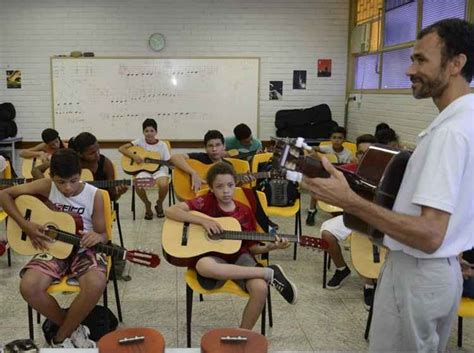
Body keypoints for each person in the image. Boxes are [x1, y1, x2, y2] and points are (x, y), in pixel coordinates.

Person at [301, 18, 474, 352]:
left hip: (420, 274)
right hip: (436, 268)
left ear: (456, 64)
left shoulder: (450, 133)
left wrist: (349, 200)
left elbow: (428, 234)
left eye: (421, 60)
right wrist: (455, 250)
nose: (409, 70)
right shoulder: (464, 122)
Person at [165, 162, 297, 329]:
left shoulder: (244, 211)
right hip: (213, 258)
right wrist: (204, 221)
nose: (226, 190)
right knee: (203, 266)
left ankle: (243, 334)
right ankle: (268, 272)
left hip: (239, 257)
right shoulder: (205, 202)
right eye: (219, 186)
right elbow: (171, 211)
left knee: (260, 288)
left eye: (230, 185)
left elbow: (251, 248)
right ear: (211, 188)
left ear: (236, 184)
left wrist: (270, 248)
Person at [0, 149, 107, 348]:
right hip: (51, 248)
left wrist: (97, 236)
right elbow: (5, 195)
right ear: (51, 177)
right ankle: (74, 330)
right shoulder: (46, 186)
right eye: (61, 182)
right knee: (28, 287)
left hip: (83, 249)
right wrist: (25, 225)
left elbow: (102, 234)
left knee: (96, 283)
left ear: (81, 174)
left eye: (73, 181)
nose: (67, 188)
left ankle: (59, 338)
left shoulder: (95, 195)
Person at [319, 134, 377, 309]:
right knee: (327, 234)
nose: (363, 157)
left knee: (369, 241)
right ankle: (341, 269)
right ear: (355, 154)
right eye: (360, 153)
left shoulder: (384, 173)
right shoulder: (347, 171)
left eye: (368, 154)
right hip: (352, 217)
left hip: (377, 221)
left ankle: (369, 284)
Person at [118, 118, 170, 219]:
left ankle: (159, 203)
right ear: (143, 132)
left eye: (152, 131)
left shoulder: (162, 145)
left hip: (159, 170)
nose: (149, 133)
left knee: (164, 184)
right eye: (146, 131)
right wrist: (134, 157)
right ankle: (147, 204)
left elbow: (168, 162)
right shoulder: (139, 141)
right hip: (143, 171)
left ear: (156, 132)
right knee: (138, 184)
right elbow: (121, 148)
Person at [306, 126, 355, 226]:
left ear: (344, 140)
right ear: (330, 139)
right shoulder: (327, 148)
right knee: (315, 185)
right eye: (334, 137)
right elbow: (311, 148)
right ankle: (311, 210)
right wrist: (317, 155)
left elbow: (349, 168)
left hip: (340, 178)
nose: (336, 140)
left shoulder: (348, 154)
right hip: (327, 175)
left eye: (340, 138)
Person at [68, 132, 127, 202]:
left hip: (100, 204)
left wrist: (119, 193)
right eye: (91, 153)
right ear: (80, 154)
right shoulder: (72, 164)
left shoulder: (105, 163)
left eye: (98, 149)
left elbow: (112, 197)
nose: (97, 155)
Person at [170, 130, 229, 194]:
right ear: (205, 148)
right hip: (196, 195)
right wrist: (193, 173)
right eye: (210, 146)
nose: (214, 149)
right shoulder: (200, 157)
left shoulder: (228, 166)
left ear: (223, 146)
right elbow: (174, 157)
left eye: (218, 145)